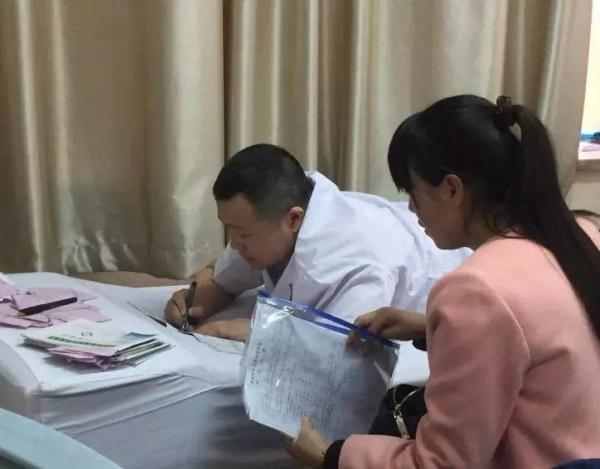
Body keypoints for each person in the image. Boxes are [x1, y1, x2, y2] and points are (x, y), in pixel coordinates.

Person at [286, 95, 600, 468]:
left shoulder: (477, 289)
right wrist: (426, 327)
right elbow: (541, 335)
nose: (412, 209)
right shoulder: (580, 235)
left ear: (453, 189)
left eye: (414, 193)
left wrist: (330, 456)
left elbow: (441, 463)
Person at [163, 143, 468, 342]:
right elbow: (220, 279)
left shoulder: (353, 263)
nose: (235, 243)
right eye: (230, 230)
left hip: (450, 272)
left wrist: (254, 329)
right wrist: (196, 297)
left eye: (241, 234)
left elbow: (340, 343)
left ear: (293, 219)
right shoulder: (278, 212)